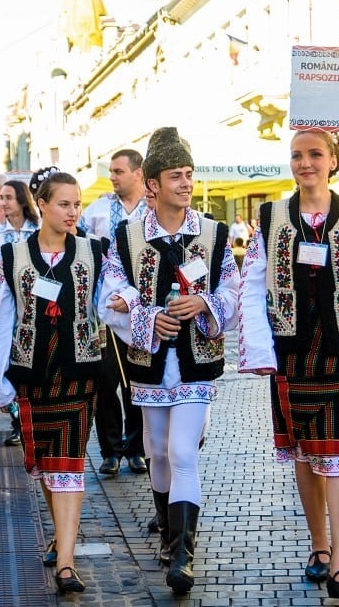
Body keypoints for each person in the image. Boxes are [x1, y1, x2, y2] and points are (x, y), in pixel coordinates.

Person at [237, 130, 339, 602]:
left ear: (333, 161)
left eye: (314, 155)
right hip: (290, 350)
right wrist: (258, 352)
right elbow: (252, 287)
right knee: (306, 455)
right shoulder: (269, 218)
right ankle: (320, 546)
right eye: (297, 156)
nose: (304, 163)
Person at [99, 127, 239, 595]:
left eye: (189, 175)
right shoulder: (127, 236)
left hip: (198, 363)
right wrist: (146, 317)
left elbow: (233, 294)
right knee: (157, 450)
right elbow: (110, 294)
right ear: (153, 184)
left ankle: (183, 555)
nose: (186, 183)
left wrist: (206, 306)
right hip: (149, 363)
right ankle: (165, 527)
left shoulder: (215, 235)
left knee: (182, 452)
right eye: (176, 176)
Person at [0, 170, 102, 593]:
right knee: (47, 467)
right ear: (43, 204)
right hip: (32, 378)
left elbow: (106, 303)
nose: (72, 212)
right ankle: (61, 535)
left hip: (79, 376)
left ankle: (66, 563)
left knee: (69, 465)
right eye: (64, 204)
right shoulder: (11, 256)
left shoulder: (94, 252)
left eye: (77, 204)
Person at [77, 149, 149, 477]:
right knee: (105, 380)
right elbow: (74, 239)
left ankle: (136, 448)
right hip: (104, 308)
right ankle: (110, 451)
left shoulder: (153, 207)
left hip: (141, 309)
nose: (113, 176)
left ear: (138, 173)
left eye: (119, 171)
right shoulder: (100, 208)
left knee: (137, 378)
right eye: (112, 171)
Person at [0, 178, 40, 446]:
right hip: (10, 311)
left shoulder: (40, 231)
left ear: (22, 199)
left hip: (39, 309)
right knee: (12, 366)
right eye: (1, 197)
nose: (3, 202)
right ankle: (19, 422)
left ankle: (36, 419)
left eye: (8, 197)